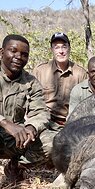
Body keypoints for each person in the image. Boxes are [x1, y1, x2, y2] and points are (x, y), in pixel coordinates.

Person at [0, 34, 53, 181]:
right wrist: (4, 123)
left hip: (17, 138)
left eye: (24, 54)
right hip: (5, 130)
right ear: (2, 52)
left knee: (51, 143)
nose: (18, 57)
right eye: (13, 51)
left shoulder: (31, 82)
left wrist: (31, 128)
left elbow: (41, 112)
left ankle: (16, 166)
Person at [33, 32, 87, 128]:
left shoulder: (81, 73)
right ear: (52, 50)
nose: (61, 51)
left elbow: (85, 104)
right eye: (56, 47)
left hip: (69, 124)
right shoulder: (40, 71)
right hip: (44, 121)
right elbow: (31, 99)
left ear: (69, 48)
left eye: (64, 47)